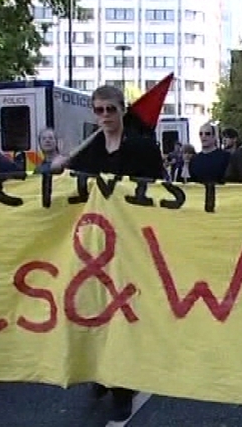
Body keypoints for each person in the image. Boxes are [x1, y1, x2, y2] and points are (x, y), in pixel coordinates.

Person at [50, 84, 164, 424]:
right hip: (95, 246)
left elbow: (158, 188)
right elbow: (71, 188)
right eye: (98, 110)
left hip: (131, 244)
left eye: (110, 110)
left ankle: (122, 388)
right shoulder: (90, 149)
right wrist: (59, 169)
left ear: (122, 110)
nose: (104, 117)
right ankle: (101, 373)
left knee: (123, 313)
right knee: (96, 309)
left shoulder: (143, 147)